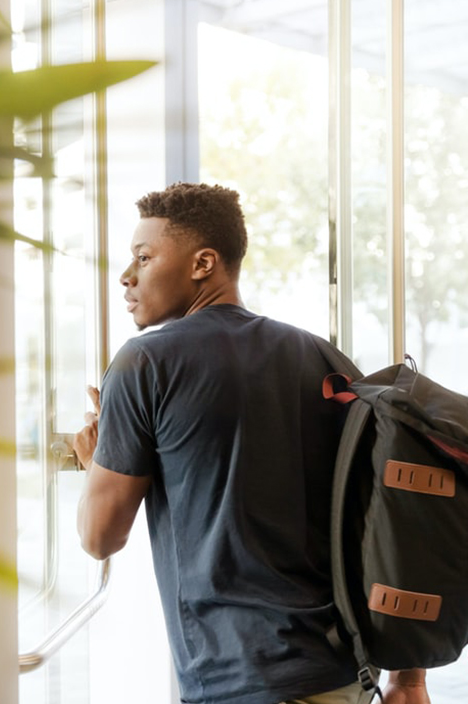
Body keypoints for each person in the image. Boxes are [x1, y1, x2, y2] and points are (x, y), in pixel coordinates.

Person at [71, 183, 431, 704]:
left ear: (203, 263)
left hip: (242, 680)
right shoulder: (324, 359)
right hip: (344, 675)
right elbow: (389, 515)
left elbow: (98, 537)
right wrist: (409, 679)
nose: (127, 277)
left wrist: (95, 462)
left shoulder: (144, 364)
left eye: (144, 258)